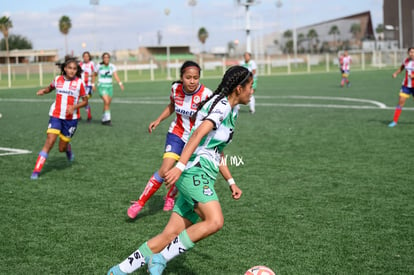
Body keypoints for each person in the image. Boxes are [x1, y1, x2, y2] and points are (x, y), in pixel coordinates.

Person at [107, 65, 253, 275]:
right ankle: (161, 258)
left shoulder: (231, 109)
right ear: (239, 88)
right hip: (194, 173)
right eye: (251, 86)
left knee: (168, 235)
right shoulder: (221, 107)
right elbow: (196, 136)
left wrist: (231, 182)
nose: (253, 91)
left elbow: (216, 149)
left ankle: (118, 271)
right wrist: (180, 167)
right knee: (215, 221)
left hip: (200, 174)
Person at [128, 61, 220, 218]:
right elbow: (171, 105)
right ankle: (140, 203)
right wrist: (158, 120)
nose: (192, 81)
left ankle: (170, 196)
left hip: (195, 140)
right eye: (188, 77)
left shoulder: (207, 95)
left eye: (195, 78)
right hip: (176, 134)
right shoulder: (175, 89)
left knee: (183, 171)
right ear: (181, 77)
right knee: (165, 170)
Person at [30, 58, 88, 180]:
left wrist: (74, 107)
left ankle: (68, 149)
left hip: (71, 119)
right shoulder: (57, 79)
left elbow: (85, 101)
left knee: (61, 148)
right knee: (49, 142)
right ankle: (36, 171)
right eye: (69, 68)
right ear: (65, 69)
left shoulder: (79, 83)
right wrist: (43, 91)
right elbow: (50, 88)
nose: (72, 71)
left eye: (74, 69)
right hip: (56, 115)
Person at [92, 52, 124, 125]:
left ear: (109, 58)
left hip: (110, 86)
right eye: (105, 57)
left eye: (108, 57)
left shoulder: (112, 66)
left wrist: (120, 84)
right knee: (106, 101)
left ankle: (104, 118)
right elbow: (94, 75)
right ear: (103, 59)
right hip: (102, 86)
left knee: (107, 103)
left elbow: (115, 75)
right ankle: (107, 120)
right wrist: (93, 84)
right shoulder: (98, 66)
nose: (106, 59)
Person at [388, 47, 414, 127]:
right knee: (400, 102)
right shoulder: (406, 61)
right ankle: (395, 121)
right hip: (406, 86)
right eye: (411, 52)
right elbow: (401, 68)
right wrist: (396, 73)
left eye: (413, 52)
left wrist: (413, 76)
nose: (412, 54)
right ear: (408, 53)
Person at [79, 51, 95, 121]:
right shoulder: (80, 64)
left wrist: (93, 84)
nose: (86, 58)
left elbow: (94, 74)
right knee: (78, 100)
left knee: (85, 100)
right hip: (81, 85)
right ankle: (79, 116)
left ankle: (89, 116)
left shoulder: (91, 64)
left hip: (88, 85)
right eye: (84, 56)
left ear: (89, 57)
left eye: (87, 56)